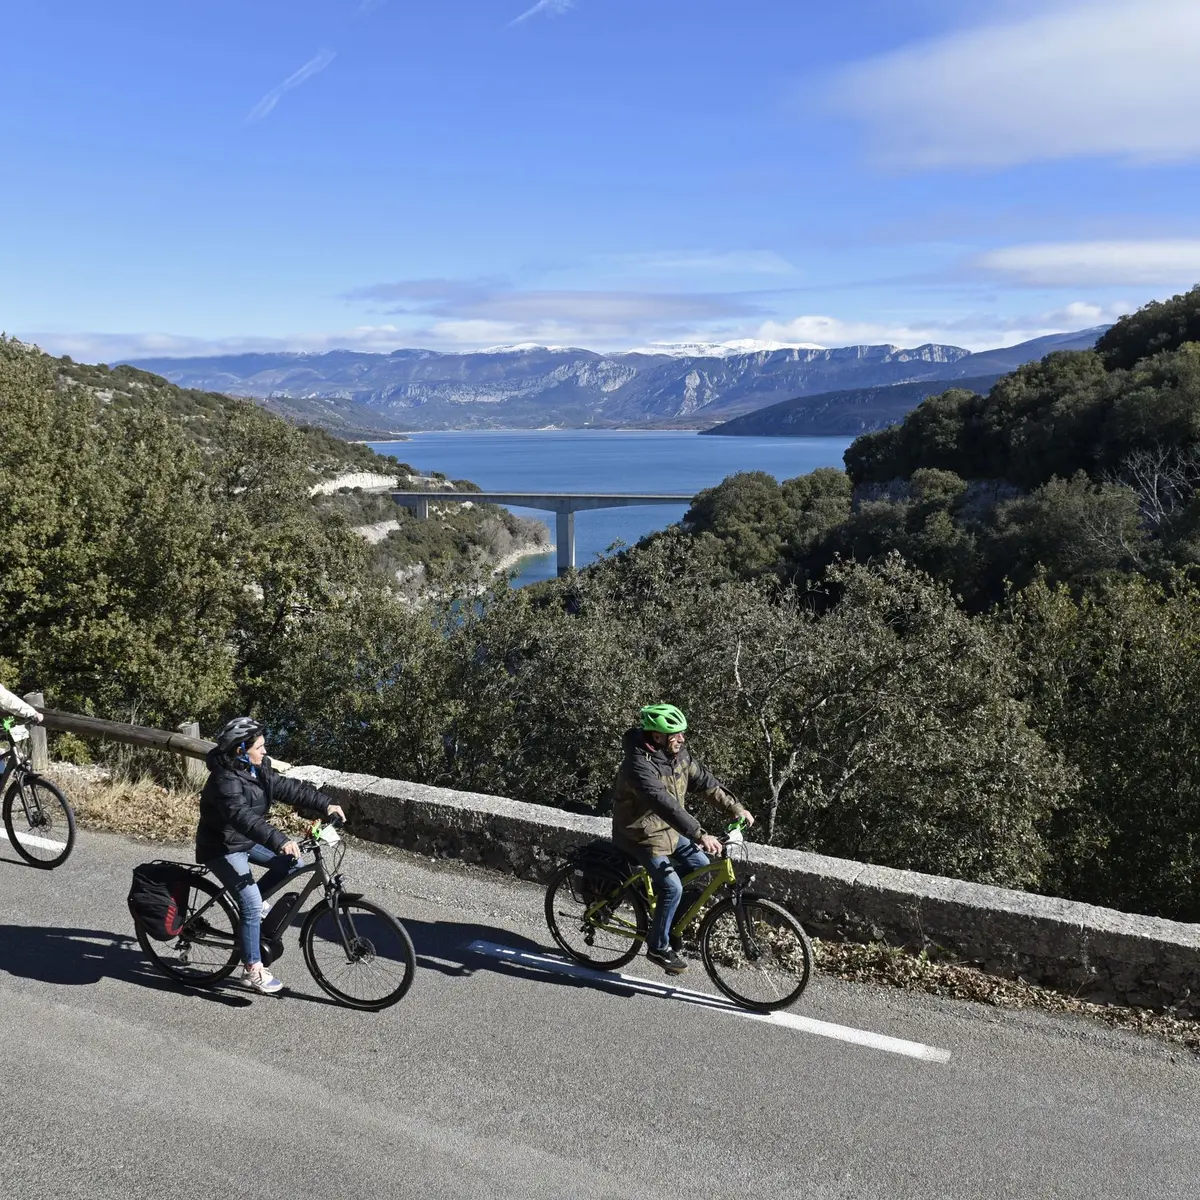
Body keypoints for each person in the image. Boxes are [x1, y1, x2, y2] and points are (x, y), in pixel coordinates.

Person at [195, 717, 345, 995]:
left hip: (245, 839)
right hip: (222, 847)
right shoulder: (224, 779)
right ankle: (252, 969)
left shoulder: (256, 766)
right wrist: (279, 840)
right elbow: (240, 817)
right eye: (260, 747)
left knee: (293, 863)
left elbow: (286, 787)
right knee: (251, 903)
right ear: (241, 750)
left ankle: (251, 903)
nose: (265, 752)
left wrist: (326, 804)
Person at [611, 703, 753, 975]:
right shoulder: (638, 766)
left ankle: (668, 923)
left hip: (669, 831)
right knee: (673, 888)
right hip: (640, 835)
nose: (682, 738)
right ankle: (658, 946)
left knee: (700, 866)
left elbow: (706, 783)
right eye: (675, 734)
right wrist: (700, 834)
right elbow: (665, 805)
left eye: (681, 733)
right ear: (657, 737)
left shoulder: (678, 756)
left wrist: (735, 808)